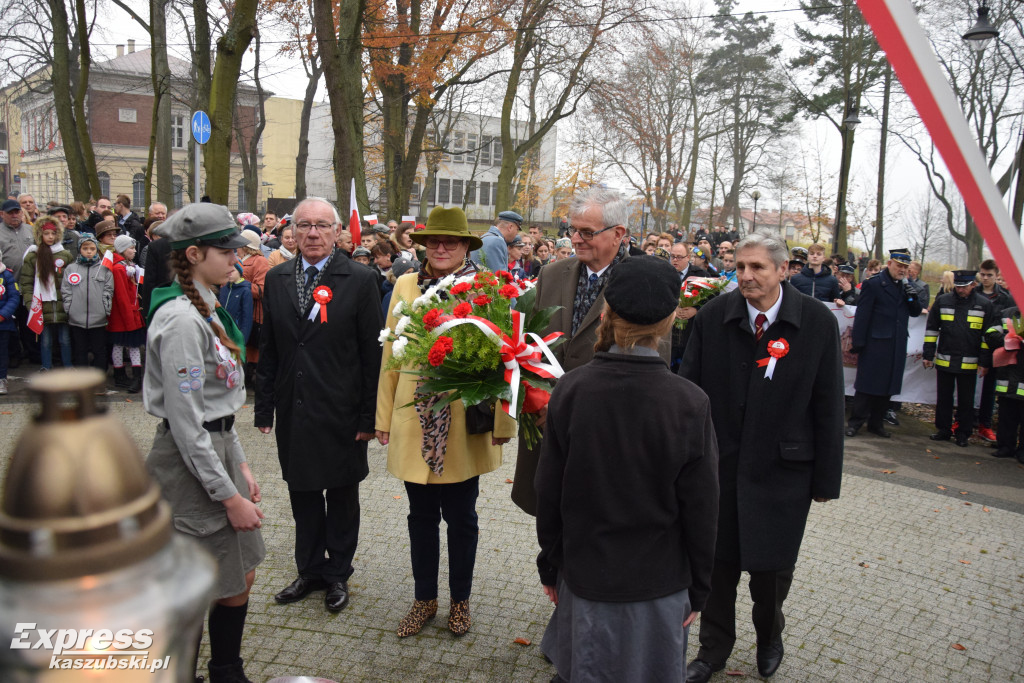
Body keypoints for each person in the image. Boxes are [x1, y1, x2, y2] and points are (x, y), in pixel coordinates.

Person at [537, 256, 719, 682]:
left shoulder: (572, 389)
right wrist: (700, 587)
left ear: (605, 312)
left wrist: (551, 562)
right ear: (670, 319)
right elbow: (702, 506)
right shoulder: (689, 402)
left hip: (585, 572)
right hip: (660, 580)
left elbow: (550, 488)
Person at [680, 231, 844, 682]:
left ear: (783, 270)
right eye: (741, 267)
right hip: (721, 469)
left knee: (771, 573)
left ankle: (770, 637)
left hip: (783, 473)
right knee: (716, 566)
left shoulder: (814, 322)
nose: (747, 276)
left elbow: (829, 403)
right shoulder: (714, 317)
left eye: (758, 268)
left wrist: (827, 480)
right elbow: (690, 394)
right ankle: (713, 650)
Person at [376, 207, 516, 637]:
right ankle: (424, 600)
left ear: (465, 247)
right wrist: (382, 417)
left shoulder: (484, 287)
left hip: (461, 419)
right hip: (413, 417)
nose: (440, 247)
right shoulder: (404, 284)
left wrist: (503, 425)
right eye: (433, 241)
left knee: (462, 518)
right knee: (420, 518)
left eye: (450, 242)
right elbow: (389, 356)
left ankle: (460, 601)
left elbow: (506, 360)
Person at [143, 204, 265, 683]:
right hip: (188, 463)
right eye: (226, 250)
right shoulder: (180, 320)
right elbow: (188, 423)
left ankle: (225, 669)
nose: (235, 258)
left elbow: (217, 409)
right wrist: (228, 495)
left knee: (240, 574)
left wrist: (242, 467)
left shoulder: (206, 304)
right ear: (193, 254)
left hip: (214, 452)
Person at [255, 197, 383, 613]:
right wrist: (263, 408)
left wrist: (369, 416)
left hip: (342, 410)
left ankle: (338, 574)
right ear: (291, 231)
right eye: (304, 225)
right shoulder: (275, 279)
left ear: (337, 232)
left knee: (342, 495)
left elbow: (371, 355)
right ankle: (309, 569)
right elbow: (270, 349)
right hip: (295, 406)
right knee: (302, 491)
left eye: (322, 226)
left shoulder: (360, 279)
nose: (312, 233)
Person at [511, 187, 670, 514]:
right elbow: (531, 345)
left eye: (587, 232)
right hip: (545, 429)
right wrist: (533, 396)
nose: (577, 239)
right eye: (573, 230)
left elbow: (652, 370)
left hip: (603, 437)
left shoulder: (644, 282)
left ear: (618, 234)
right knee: (549, 529)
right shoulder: (552, 273)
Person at [846, 249, 923, 438]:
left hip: (896, 343)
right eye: (899, 266)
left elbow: (915, 312)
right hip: (875, 343)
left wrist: (912, 296)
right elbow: (863, 315)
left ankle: (876, 423)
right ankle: (856, 422)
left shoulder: (906, 287)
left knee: (887, 385)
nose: (902, 270)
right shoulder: (874, 284)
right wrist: (859, 342)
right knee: (867, 385)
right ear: (889, 264)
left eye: (905, 267)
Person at [923, 270, 997, 447]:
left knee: (966, 400)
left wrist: (985, 362)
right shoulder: (943, 301)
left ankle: (963, 433)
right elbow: (932, 330)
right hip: (945, 359)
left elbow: (988, 337)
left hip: (969, 362)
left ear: (973, 285)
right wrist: (928, 355)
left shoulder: (984, 305)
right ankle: (943, 429)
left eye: (964, 287)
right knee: (944, 398)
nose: (961, 290)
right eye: (958, 286)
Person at [19, 215, 73, 372]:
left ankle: (68, 366)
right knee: (45, 340)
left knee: (65, 339)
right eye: (46, 233)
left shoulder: (65, 255)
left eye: (53, 233)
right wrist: (31, 304)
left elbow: (71, 281)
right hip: (43, 304)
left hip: (62, 304)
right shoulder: (33, 255)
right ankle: (46, 366)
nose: (50, 237)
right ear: (39, 235)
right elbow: (27, 282)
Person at [975, 259, 1016, 442]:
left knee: (989, 390)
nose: (985, 278)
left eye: (989, 275)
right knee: (967, 388)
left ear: (996, 275)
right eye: (982, 274)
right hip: (972, 346)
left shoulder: (1005, 298)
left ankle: (985, 425)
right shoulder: (972, 293)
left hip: (994, 350)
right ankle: (964, 422)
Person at [61, 236, 113, 371]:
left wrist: (105, 309)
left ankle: (99, 379)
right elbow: (66, 290)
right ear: (79, 250)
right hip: (77, 318)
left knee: (99, 350)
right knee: (80, 350)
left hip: (99, 318)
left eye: (92, 249)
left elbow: (108, 290)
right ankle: (82, 380)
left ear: (97, 250)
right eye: (85, 248)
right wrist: (69, 308)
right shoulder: (71, 268)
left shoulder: (104, 269)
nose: (89, 252)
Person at [984, 307, 1024, 462]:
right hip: (1007, 375)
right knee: (1007, 414)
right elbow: (990, 334)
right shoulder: (1007, 314)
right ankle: (1005, 446)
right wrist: (1010, 340)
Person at [107, 235, 146, 392]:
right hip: (125, 315)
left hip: (129, 313)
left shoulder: (127, 266)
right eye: (131, 248)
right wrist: (130, 318)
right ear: (123, 249)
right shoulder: (118, 268)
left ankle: (125, 375)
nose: (134, 251)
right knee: (129, 346)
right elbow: (122, 297)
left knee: (123, 346)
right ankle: (127, 376)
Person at [1, 198, 36, 367]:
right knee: (10, 325)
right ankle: (13, 355)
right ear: (2, 214)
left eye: (17, 212)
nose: (15, 215)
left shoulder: (30, 230)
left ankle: (32, 353)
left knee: (28, 322)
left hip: (29, 286)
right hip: (7, 287)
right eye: (11, 213)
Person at [0, 248, 21, 394]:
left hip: (3, 324)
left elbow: (14, 297)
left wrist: (3, 315)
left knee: (2, 353)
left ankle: (1, 379)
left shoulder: (6, 275)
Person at [218, 262, 254, 345]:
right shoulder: (224, 289)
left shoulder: (245, 291)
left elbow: (247, 318)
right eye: (227, 271)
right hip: (223, 333)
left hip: (236, 333)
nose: (229, 274)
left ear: (239, 272)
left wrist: (243, 339)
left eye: (232, 271)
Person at [114, 194, 147, 259]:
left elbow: (133, 242)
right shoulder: (118, 220)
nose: (114, 207)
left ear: (121, 205)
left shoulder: (134, 223)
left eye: (115, 204)